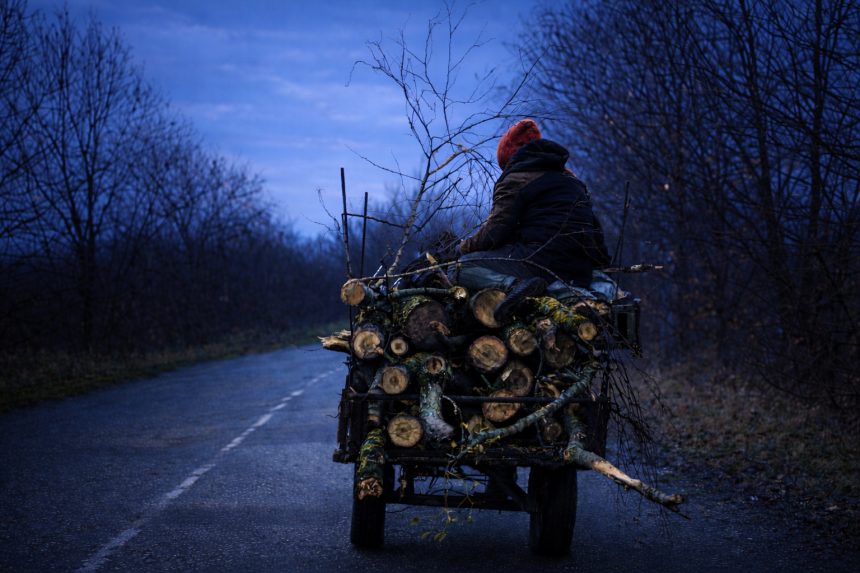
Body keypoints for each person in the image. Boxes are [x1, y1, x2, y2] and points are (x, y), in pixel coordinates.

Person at [451, 119, 610, 318]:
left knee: (461, 267)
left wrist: (462, 249)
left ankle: (518, 286)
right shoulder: (573, 181)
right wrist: (602, 267)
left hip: (539, 261)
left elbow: (496, 231)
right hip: (578, 271)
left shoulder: (517, 179)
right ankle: (574, 295)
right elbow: (595, 232)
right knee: (562, 274)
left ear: (509, 158)